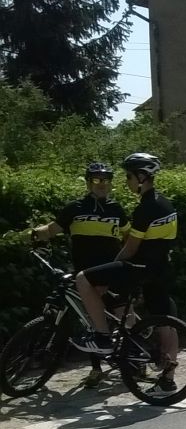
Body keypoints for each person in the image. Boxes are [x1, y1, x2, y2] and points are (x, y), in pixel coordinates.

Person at [73, 153, 180, 395]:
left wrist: (109, 272)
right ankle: (168, 380)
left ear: (141, 177)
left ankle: (102, 336)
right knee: (165, 320)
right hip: (161, 269)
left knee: (83, 279)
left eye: (129, 177)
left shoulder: (145, 208)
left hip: (139, 269)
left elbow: (130, 249)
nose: (127, 182)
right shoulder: (165, 203)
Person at [31, 162, 128, 388]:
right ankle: (96, 369)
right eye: (96, 180)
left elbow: (128, 236)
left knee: (124, 313)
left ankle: (135, 359)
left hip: (111, 271)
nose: (102, 184)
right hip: (85, 273)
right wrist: (32, 234)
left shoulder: (116, 209)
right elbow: (52, 230)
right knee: (89, 322)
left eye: (106, 180)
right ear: (88, 183)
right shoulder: (75, 208)